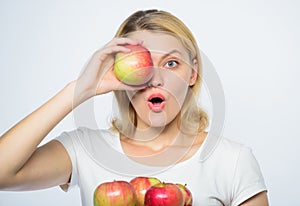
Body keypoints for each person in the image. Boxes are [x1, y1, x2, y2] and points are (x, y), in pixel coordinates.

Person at [0, 9, 268, 205]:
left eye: (171, 63)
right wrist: (78, 90)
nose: (156, 78)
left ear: (193, 73)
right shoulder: (85, 149)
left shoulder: (232, 161)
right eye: (143, 64)